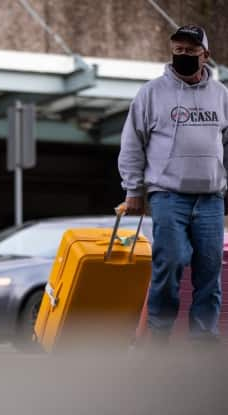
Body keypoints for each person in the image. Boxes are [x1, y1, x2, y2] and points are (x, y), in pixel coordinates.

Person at [118, 25, 228, 347]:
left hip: (210, 198)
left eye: (190, 52)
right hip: (168, 195)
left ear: (205, 55)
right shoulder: (151, 93)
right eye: (177, 50)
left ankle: (203, 341)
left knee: (209, 272)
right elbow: (132, 143)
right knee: (172, 261)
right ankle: (158, 337)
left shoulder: (222, 96)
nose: (183, 56)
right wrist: (133, 189)